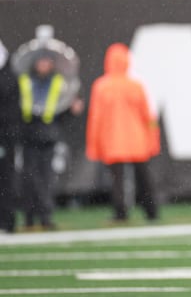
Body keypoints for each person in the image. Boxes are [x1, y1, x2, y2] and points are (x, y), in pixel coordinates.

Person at [85, 43, 160, 223]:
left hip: (113, 140)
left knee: (117, 180)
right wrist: (153, 140)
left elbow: (95, 118)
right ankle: (151, 211)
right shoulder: (136, 85)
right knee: (143, 178)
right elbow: (148, 116)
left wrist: (93, 145)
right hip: (137, 139)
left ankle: (120, 213)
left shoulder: (101, 86)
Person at [17, 48, 83, 230]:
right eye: (41, 61)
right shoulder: (24, 81)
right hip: (28, 135)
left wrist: (72, 110)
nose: (44, 65)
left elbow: (63, 110)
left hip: (49, 136)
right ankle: (29, 218)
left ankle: (45, 216)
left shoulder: (59, 83)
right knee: (29, 179)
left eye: (47, 62)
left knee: (46, 179)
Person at [0, 38, 20, 233]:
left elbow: (11, 111)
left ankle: (7, 220)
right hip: (6, 133)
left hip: (5, 136)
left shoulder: (8, 77)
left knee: (6, 178)